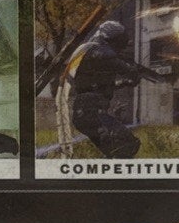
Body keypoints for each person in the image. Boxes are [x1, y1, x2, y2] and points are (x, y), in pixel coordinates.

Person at [63, 19, 167, 158]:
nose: (120, 49)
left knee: (115, 151)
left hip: (85, 114)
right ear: (112, 39)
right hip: (92, 114)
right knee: (127, 145)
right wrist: (132, 71)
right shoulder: (97, 51)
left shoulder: (87, 52)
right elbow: (116, 63)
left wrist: (124, 82)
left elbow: (99, 85)